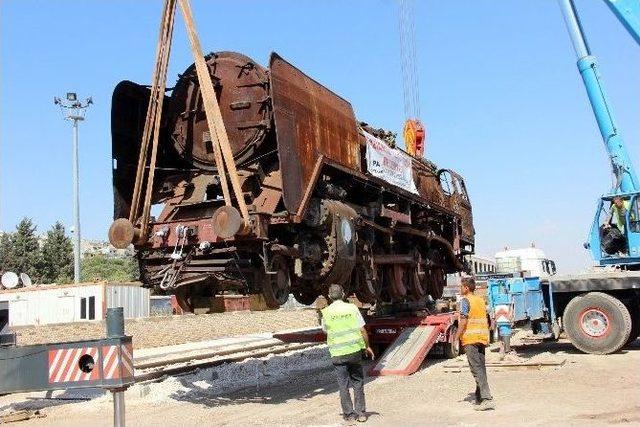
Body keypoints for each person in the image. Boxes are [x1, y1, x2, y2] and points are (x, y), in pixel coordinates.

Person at [321, 284, 375, 423]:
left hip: (338, 354)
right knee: (357, 382)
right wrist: (367, 346)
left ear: (329, 296)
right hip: (354, 352)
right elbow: (362, 330)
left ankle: (349, 415)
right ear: (343, 294)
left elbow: (326, 331)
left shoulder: (326, 312)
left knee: (343, 385)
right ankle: (361, 413)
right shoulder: (352, 308)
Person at [455, 277, 494, 411]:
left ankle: (487, 399)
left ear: (466, 288)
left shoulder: (465, 301)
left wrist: (456, 337)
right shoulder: (480, 301)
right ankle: (479, 397)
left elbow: (463, 322)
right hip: (482, 338)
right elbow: (488, 320)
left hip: (470, 339)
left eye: (461, 287)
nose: (460, 289)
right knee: (481, 368)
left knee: (476, 369)